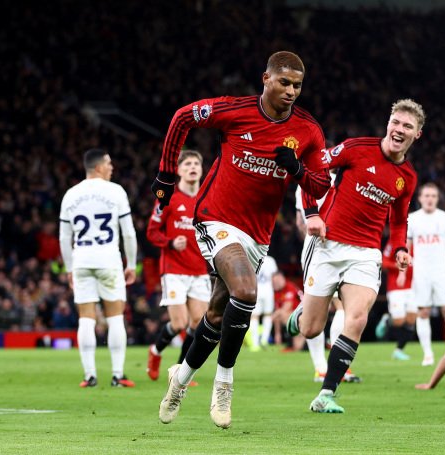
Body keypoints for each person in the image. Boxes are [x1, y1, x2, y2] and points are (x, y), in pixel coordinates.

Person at [153, 51, 331, 428]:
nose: (291, 91)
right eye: (284, 82)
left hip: (257, 233)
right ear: (265, 79)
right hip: (215, 218)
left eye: (297, 85)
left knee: (217, 313)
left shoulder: (308, 131)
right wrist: (167, 175)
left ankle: (179, 380)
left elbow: (321, 183)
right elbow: (182, 116)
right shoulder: (235, 111)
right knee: (247, 291)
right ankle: (224, 385)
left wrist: (297, 167)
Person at [287, 98, 423, 413]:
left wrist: (400, 247)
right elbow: (313, 167)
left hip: (366, 253)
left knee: (357, 317)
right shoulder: (356, 148)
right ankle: (300, 316)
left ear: (417, 135)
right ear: (388, 123)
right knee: (311, 329)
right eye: (396, 123)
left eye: (408, 126)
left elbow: (399, 219)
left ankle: (326, 394)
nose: (399, 130)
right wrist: (310, 213)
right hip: (328, 246)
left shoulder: (408, 178)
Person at [59, 148, 138, 388]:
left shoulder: (71, 194)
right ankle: (117, 375)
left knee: (86, 318)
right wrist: (132, 264)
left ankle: (89, 376)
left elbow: (64, 238)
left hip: (82, 260)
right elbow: (128, 233)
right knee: (115, 317)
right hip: (108, 261)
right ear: (98, 167)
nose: (112, 168)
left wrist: (69, 268)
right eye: (109, 163)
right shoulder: (116, 192)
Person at [145, 150, 211, 382]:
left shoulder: (207, 198)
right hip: (173, 269)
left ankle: (182, 371)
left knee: (197, 323)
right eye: (188, 164)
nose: (193, 167)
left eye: (196, 163)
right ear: (179, 170)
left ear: (201, 169)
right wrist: (170, 242)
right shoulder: (167, 197)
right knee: (179, 323)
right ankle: (155, 352)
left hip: (199, 270)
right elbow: (151, 232)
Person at [295, 172, 361, 383]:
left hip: (343, 246)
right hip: (321, 247)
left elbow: (300, 221)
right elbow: (303, 220)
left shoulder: (310, 178)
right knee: (321, 311)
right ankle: (326, 367)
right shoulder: (351, 179)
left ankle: (331, 367)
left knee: (345, 307)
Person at [408, 183, 445, 367]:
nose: (430, 199)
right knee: (423, 311)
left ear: (438, 199)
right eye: (426, 195)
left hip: (442, 271)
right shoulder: (412, 219)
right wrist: (403, 271)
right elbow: (406, 247)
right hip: (421, 272)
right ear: (420, 198)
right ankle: (427, 354)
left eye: (433, 196)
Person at [375, 241, 414, 361]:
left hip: (414, 285)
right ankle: (387, 321)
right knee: (399, 321)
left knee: (411, 320)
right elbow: (383, 261)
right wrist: (396, 266)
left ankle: (399, 350)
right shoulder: (395, 241)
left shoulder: (419, 241)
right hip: (396, 286)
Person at [248, 255, 278, 351]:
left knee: (254, 316)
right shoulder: (271, 260)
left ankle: (255, 343)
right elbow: (274, 278)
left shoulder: (252, 257)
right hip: (268, 291)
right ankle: (264, 339)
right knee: (268, 315)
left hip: (256, 290)